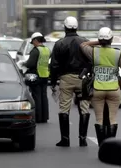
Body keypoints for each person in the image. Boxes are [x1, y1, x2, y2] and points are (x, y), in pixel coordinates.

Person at [80, 27, 121, 146]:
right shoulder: (118, 53)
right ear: (111, 39)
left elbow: (83, 45)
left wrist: (99, 42)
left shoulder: (93, 52)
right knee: (112, 118)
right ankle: (111, 146)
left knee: (99, 119)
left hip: (97, 89)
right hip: (114, 89)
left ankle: (102, 146)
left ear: (99, 39)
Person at [50, 16, 91, 147]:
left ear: (65, 27)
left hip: (66, 79)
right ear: (77, 27)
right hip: (83, 79)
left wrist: (53, 82)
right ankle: (83, 139)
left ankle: (65, 139)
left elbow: (54, 65)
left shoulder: (59, 44)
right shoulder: (85, 42)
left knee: (64, 108)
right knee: (84, 108)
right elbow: (92, 61)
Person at [23, 32, 50, 123]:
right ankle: (44, 117)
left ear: (35, 40)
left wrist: (24, 63)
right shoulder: (47, 49)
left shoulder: (35, 50)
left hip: (36, 75)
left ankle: (38, 117)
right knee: (44, 96)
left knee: (36, 97)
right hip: (45, 75)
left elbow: (30, 64)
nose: (32, 43)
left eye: (33, 42)